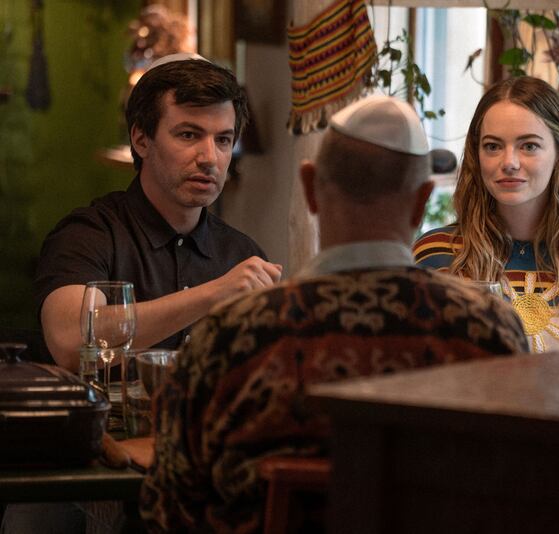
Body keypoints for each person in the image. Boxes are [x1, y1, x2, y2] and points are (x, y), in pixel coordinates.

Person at [139, 95, 528, 532]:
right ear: (421, 201)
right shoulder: (488, 334)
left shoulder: (230, 337)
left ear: (310, 187)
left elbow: (166, 514)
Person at [32, 53, 281, 372]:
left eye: (223, 140)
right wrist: (213, 294)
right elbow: (72, 342)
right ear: (140, 140)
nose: (209, 157)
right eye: (189, 135)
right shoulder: (88, 234)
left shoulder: (242, 254)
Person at [413, 76, 559, 353]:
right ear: (476, 154)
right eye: (493, 146)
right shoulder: (433, 255)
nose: (509, 162)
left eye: (529, 146)